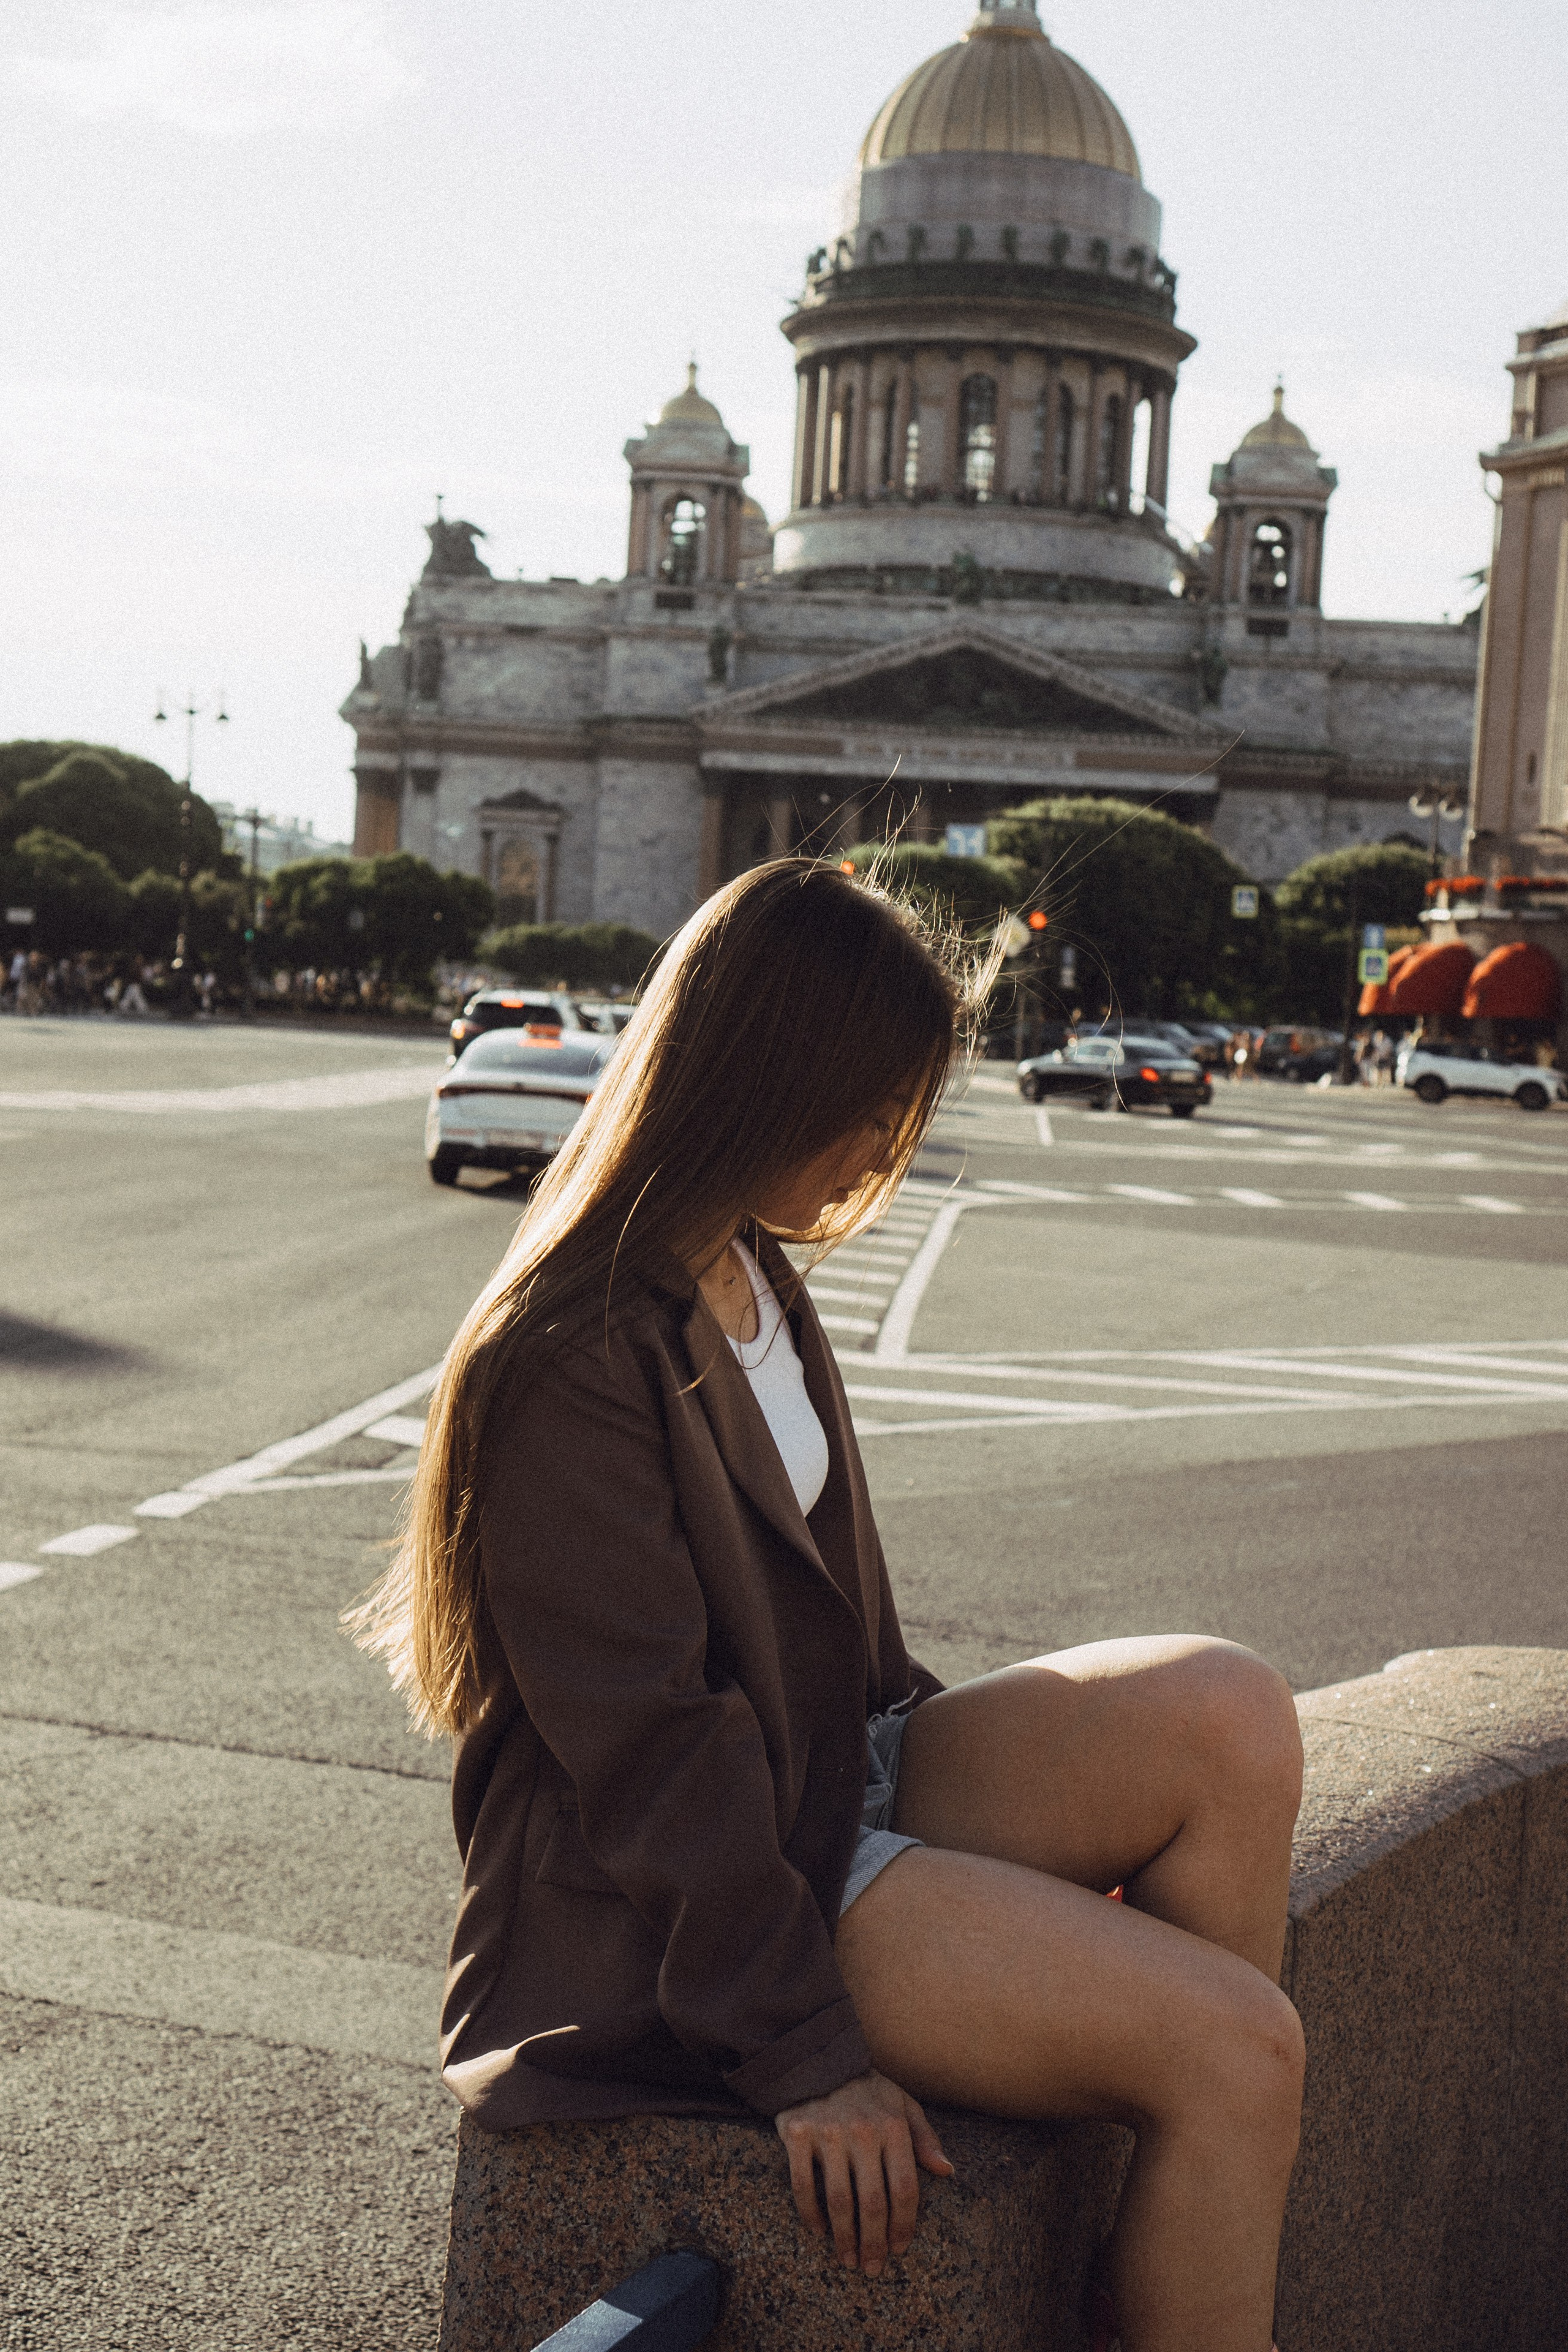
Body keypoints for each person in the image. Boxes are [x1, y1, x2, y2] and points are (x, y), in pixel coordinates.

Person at [349, 861, 1303, 2352]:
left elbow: (841, 1644)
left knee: (1228, 1711)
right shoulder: (569, 1355)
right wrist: (804, 2055)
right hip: (669, 1908)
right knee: (1239, 2051)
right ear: (760, 1074)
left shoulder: (748, 1269)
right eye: (865, 1105)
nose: (883, 1149)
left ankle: (1161, 2208)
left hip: (825, 1784)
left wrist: (1019, 1877)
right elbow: (653, 1757)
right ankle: (1186, 2161)